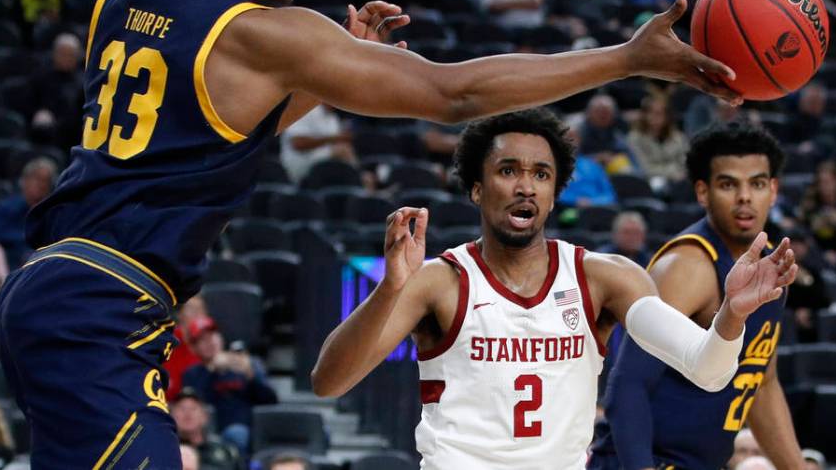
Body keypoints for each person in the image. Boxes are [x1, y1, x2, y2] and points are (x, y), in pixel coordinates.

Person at [0, 0, 739, 469]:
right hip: (100, 309)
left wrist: (339, 62)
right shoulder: (264, 31)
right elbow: (455, 94)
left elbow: (216, 130)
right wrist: (626, 59)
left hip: (51, 287)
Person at [311, 109, 796, 469]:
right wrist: (390, 289)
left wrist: (732, 314)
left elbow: (709, 372)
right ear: (477, 188)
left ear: (555, 189)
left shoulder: (606, 277)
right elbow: (328, 381)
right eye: (508, 171)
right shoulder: (440, 281)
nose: (526, 186)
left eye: (541, 174)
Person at [591, 121, 805, 470]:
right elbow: (627, 384)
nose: (745, 197)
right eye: (728, 184)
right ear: (703, 192)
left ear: (775, 190)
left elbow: (761, 385)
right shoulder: (688, 265)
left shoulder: (769, 263)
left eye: (758, 183)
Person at [181, 316, 277, 454]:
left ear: (220, 337)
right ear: (193, 348)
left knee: (236, 434)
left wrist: (250, 375)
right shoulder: (192, 374)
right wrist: (211, 370)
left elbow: (271, 400)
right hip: (207, 430)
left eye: (212, 335)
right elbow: (196, 404)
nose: (209, 342)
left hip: (246, 429)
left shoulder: (248, 363)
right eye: (202, 339)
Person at [0, 157, 58, 271]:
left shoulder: (54, 212)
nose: (42, 185)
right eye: (37, 179)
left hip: (42, 267)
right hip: (9, 267)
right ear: (25, 181)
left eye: (46, 181)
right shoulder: (6, 208)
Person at [170, 387, 243, 470]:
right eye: (182, 408)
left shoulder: (226, 451)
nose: (187, 413)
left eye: (193, 408)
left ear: (205, 417)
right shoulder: (163, 452)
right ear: (171, 417)